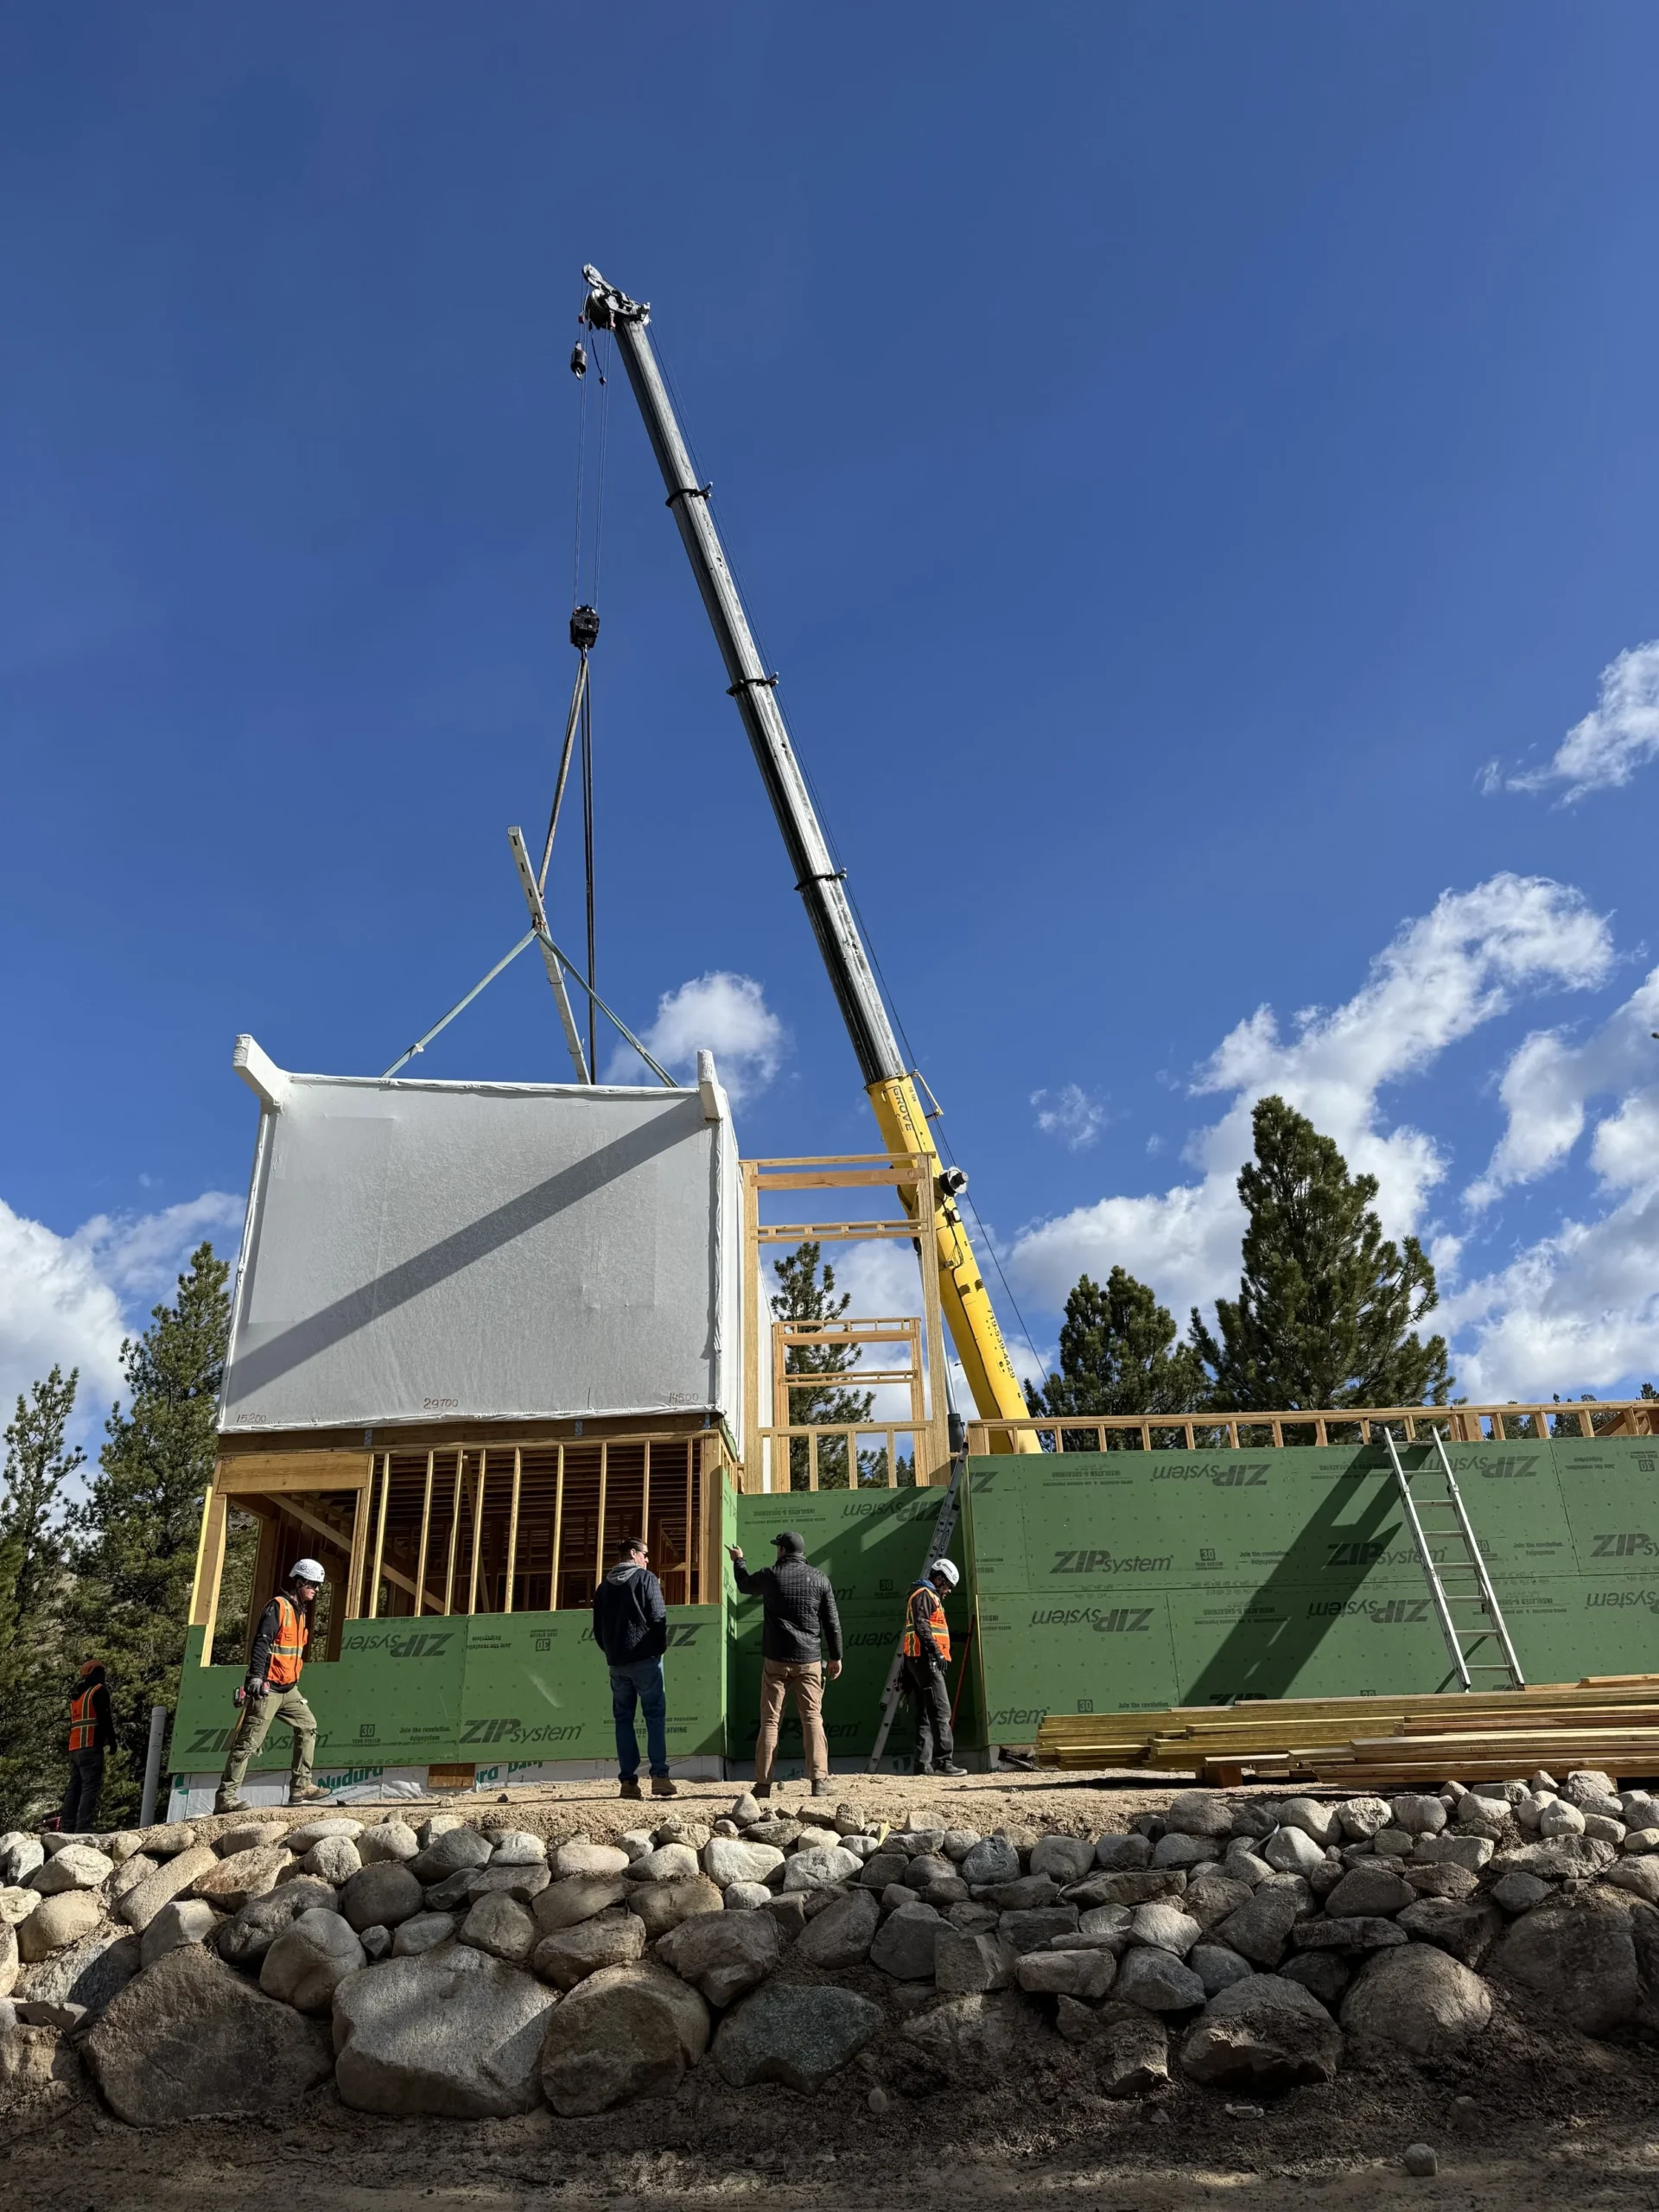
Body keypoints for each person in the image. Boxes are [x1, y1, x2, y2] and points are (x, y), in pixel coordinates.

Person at [727, 1529, 842, 1799]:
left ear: (781, 1550)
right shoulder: (819, 1578)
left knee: (770, 1721)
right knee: (813, 1718)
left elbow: (744, 1585)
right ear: (801, 1552)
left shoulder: (770, 1575)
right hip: (809, 1660)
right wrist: (836, 1656)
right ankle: (820, 1782)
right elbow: (832, 1623)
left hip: (776, 1660)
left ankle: (763, 1785)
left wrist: (738, 1560)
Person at [215, 1558, 334, 1814]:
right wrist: (256, 1677)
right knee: (248, 1743)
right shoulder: (277, 1607)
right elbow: (262, 1642)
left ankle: (300, 1787)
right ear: (300, 1582)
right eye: (312, 1584)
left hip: (288, 1689)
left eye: (317, 1585)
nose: (316, 1589)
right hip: (267, 1688)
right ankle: (226, 1798)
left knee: (308, 1725)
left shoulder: (299, 1612)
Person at [593, 1535, 677, 1801]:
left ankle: (628, 1782)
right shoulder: (646, 1579)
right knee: (654, 1717)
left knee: (623, 1721)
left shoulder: (603, 1587)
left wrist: (612, 1653)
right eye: (645, 1554)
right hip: (646, 1660)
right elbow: (658, 1616)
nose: (647, 1559)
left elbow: (597, 1629)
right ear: (632, 1554)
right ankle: (660, 1778)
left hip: (617, 1664)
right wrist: (658, 1648)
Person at [902, 1556, 967, 1777]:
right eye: (948, 1585)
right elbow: (922, 1626)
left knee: (924, 1713)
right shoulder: (925, 1595)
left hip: (918, 1660)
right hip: (926, 1661)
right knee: (941, 1711)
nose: (948, 1590)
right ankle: (943, 1762)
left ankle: (923, 1766)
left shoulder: (924, 1595)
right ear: (939, 1579)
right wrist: (936, 1652)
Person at [60, 1658, 116, 1832]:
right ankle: (83, 1828)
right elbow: (104, 1718)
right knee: (90, 1787)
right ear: (97, 1673)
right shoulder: (98, 1691)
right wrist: (112, 1741)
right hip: (90, 1746)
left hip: (75, 1748)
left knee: (74, 1788)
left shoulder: (77, 1696)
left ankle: (67, 1827)